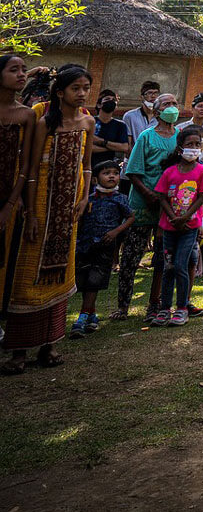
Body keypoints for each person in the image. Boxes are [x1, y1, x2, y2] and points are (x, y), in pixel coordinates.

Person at [2, 66, 94, 374]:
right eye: (75, 88)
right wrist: (29, 212)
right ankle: (18, 350)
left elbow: (87, 165)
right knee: (27, 276)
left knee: (61, 275)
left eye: (85, 88)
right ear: (60, 92)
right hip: (42, 204)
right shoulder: (44, 123)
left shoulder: (88, 122)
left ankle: (50, 344)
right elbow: (28, 171)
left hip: (69, 208)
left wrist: (84, 198)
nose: (81, 94)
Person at [115, 94, 179, 322]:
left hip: (169, 208)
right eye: (166, 104)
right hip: (143, 204)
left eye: (174, 104)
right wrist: (148, 194)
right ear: (157, 111)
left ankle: (155, 303)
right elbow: (133, 170)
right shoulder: (146, 137)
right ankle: (123, 305)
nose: (171, 108)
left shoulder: (180, 137)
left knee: (163, 258)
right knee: (131, 257)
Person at [150, 127, 203, 326]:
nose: (193, 149)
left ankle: (182, 307)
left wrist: (184, 217)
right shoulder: (170, 172)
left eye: (197, 145)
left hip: (189, 228)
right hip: (169, 227)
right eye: (189, 145)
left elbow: (202, 197)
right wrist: (172, 217)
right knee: (168, 266)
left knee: (180, 265)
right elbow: (162, 196)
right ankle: (164, 308)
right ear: (180, 148)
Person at [72, 160, 133, 337]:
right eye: (106, 173)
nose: (112, 176)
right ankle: (91, 315)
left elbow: (130, 217)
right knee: (85, 279)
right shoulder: (88, 199)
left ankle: (82, 317)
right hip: (85, 244)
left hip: (105, 246)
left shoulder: (120, 198)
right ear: (95, 179)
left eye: (115, 172)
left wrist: (116, 232)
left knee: (94, 280)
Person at [0, 55, 36, 340]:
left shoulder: (26, 114)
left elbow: (25, 165)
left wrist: (12, 202)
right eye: (14, 70)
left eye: (25, 70)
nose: (22, 74)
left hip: (7, 194)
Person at [91, 90, 130, 168]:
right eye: (107, 99)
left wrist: (100, 141)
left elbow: (124, 147)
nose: (111, 101)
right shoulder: (91, 122)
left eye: (113, 100)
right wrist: (112, 147)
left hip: (108, 166)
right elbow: (88, 147)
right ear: (99, 105)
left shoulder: (120, 125)